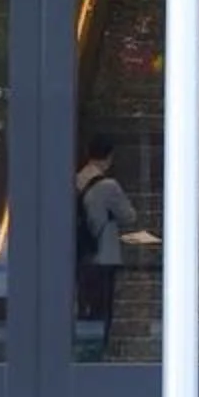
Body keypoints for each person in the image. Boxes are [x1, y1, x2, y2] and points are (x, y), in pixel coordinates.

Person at [74, 136, 146, 355]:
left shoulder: (75, 180)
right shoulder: (108, 186)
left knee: (83, 302)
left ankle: (81, 348)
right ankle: (97, 351)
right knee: (103, 307)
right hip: (103, 253)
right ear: (109, 157)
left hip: (79, 252)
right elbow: (129, 216)